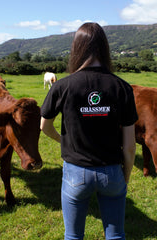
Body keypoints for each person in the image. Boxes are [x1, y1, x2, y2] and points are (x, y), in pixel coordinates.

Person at [40, 22, 138, 240]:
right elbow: (130, 147)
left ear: (77, 48)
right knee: (116, 235)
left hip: (75, 172)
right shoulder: (122, 87)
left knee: (73, 236)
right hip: (112, 171)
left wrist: (61, 139)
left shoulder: (62, 86)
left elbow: (44, 126)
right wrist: (125, 178)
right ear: (105, 48)